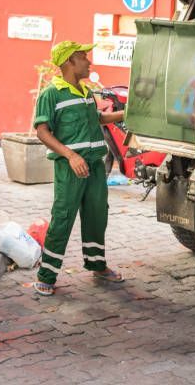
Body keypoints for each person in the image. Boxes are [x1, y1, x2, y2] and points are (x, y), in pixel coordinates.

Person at [33, 41, 125, 296]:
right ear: (69, 62)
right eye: (84, 57)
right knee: (63, 217)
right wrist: (71, 155)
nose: (89, 61)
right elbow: (42, 131)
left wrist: (126, 114)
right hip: (70, 168)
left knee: (97, 214)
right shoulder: (51, 94)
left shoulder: (85, 91)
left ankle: (97, 265)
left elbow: (98, 118)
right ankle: (47, 274)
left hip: (95, 166)